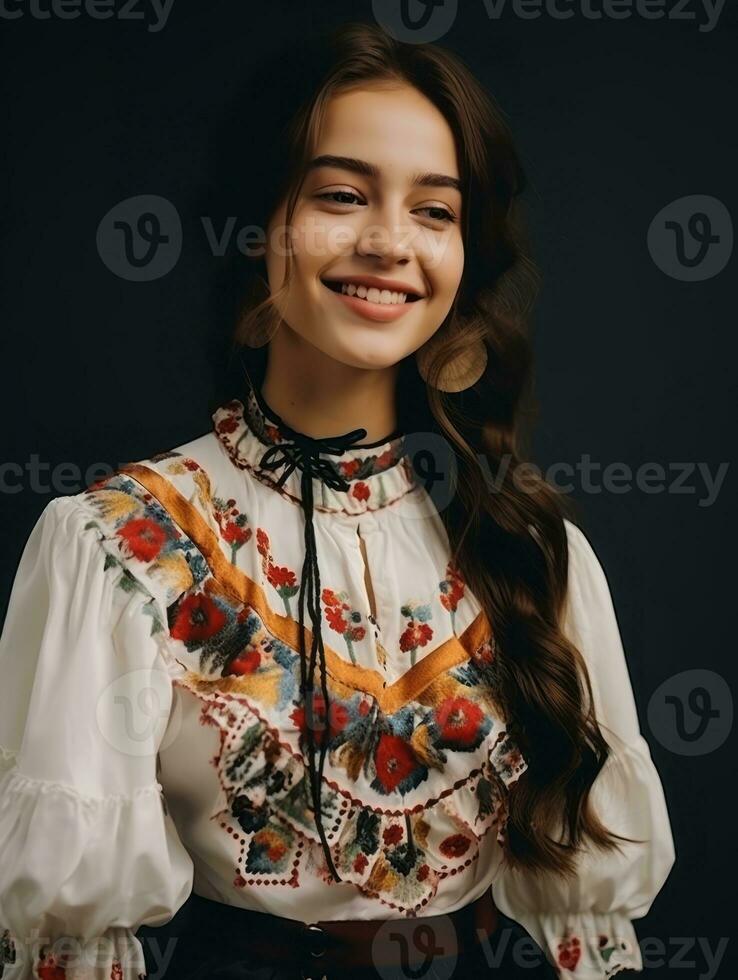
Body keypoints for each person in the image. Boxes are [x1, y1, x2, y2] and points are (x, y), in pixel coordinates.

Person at [0, 20, 675, 980]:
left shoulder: (530, 545)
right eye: (343, 195)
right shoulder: (121, 544)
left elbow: (590, 938)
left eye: (436, 211)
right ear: (259, 227)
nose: (390, 242)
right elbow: (63, 945)